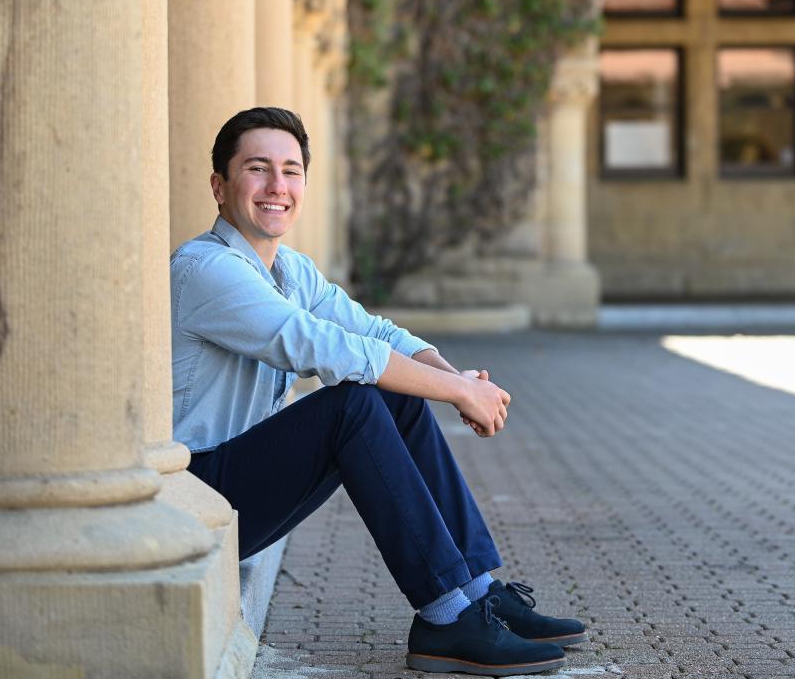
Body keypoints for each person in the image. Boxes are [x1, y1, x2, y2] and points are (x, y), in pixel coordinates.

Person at [171, 106, 585, 676]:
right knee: (354, 402)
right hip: (197, 490)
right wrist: (458, 395)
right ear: (220, 186)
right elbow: (325, 349)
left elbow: (376, 332)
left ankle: (476, 591)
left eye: (291, 171)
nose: (277, 187)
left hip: (241, 479)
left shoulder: (289, 270)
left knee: (394, 393)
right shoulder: (204, 269)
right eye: (257, 169)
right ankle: (444, 618)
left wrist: (454, 377)